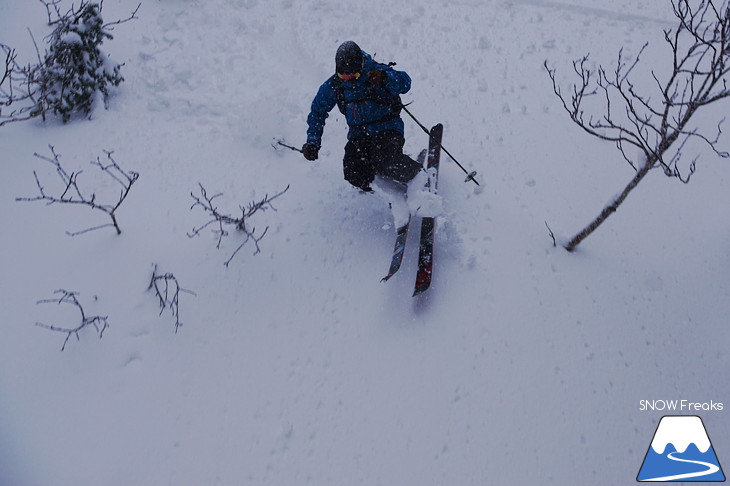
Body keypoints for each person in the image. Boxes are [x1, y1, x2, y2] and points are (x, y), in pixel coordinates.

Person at [302, 41, 422, 192]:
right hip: (359, 134)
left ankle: (419, 177)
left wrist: (385, 78)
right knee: (353, 172)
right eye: (343, 76)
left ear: (360, 67)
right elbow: (317, 113)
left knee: (385, 160)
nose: (349, 80)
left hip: (387, 127)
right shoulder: (335, 85)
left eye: (354, 75)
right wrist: (313, 142)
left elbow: (405, 82)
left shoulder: (376, 72)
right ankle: (392, 193)